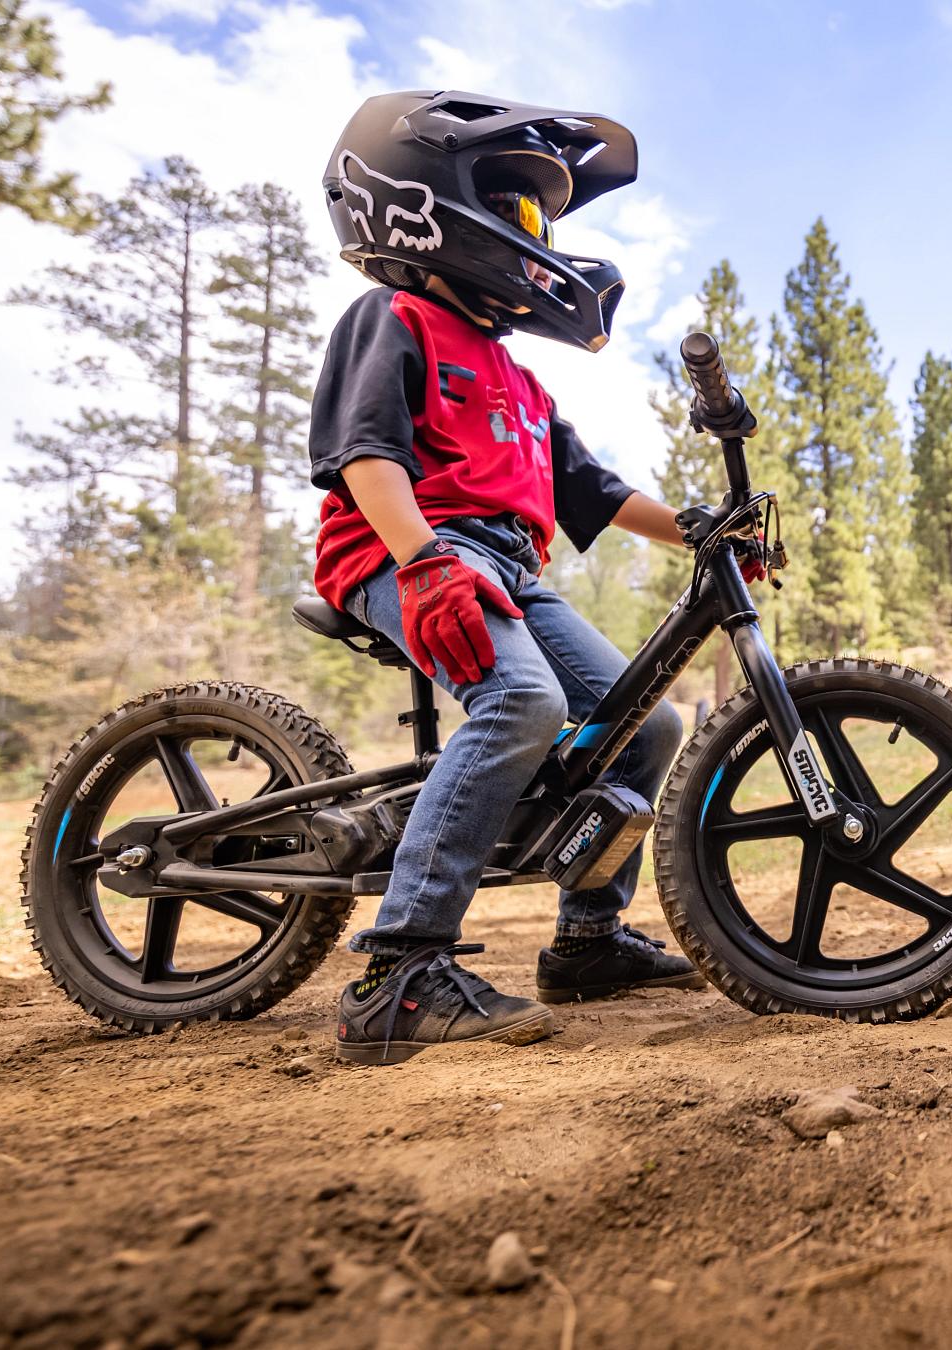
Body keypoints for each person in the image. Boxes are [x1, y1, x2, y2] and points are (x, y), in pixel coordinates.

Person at [308, 91, 699, 1065]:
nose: (537, 239)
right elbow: (364, 453)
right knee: (522, 702)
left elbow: (594, 494)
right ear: (431, 202)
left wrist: (704, 531)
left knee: (643, 724)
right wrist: (425, 559)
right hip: (403, 549)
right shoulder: (391, 317)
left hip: (512, 571)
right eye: (521, 210)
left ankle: (587, 941)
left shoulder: (519, 379)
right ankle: (398, 972)